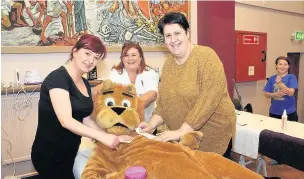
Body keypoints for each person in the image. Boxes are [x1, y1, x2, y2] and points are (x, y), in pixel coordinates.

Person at [31, 34, 131, 179]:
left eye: (96, 57)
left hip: (69, 151)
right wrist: (102, 137)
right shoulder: (57, 79)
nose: (91, 61)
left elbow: (85, 119)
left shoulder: (84, 83)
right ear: (75, 51)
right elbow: (66, 121)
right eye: (87, 53)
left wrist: (110, 136)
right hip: (49, 154)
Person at [138, 12, 236, 155]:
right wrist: (151, 125)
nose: (173, 40)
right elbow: (165, 103)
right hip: (185, 136)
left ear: (187, 33)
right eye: (168, 36)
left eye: (177, 33)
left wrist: (182, 130)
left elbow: (208, 100)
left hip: (214, 133)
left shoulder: (207, 57)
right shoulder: (168, 65)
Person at [108, 42, 159, 122]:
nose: (130, 58)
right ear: (122, 59)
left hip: (146, 124)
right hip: (122, 123)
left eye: (134, 55)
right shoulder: (115, 73)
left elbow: (152, 94)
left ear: (141, 57)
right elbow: (109, 95)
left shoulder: (149, 73)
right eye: (126, 55)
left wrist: (130, 106)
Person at [264, 56, 298, 122]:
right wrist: (276, 94)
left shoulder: (291, 77)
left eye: (285, 64)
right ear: (276, 66)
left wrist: (280, 84)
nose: (282, 66)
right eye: (280, 64)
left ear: (288, 66)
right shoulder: (272, 78)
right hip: (274, 112)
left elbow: (291, 93)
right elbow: (266, 94)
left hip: (289, 113)